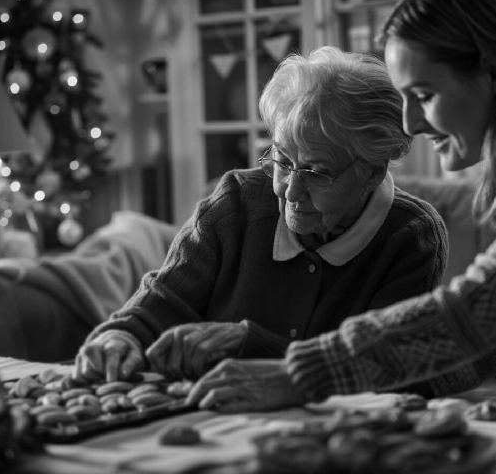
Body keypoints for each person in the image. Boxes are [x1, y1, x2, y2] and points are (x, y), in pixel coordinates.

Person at [188, 0, 496, 413]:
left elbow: (484, 308)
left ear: (493, 71)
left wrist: (299, 374)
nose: (410, 125)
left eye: (424, 95)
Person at [72, 46, 448, 383]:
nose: (290, 190)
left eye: (316, 172)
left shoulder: (411, 236)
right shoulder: (237, 202)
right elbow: (163, 301)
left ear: (372, 171)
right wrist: (122, 336)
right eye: (283, 161)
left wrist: (250, 344)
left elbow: (383, 367)